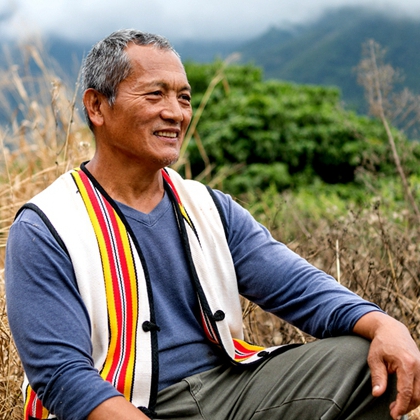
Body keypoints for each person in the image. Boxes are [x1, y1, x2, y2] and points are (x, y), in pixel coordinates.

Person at [5, 29, 420, 420]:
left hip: (228, 390)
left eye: (183, 98)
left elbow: (300, 288)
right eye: (155, 95)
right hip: (125, 407)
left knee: (369, 357)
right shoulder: (47, 226)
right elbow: (61, 374)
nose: (176, 113)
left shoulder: (208, 207)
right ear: (97, 106)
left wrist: (387, 324)